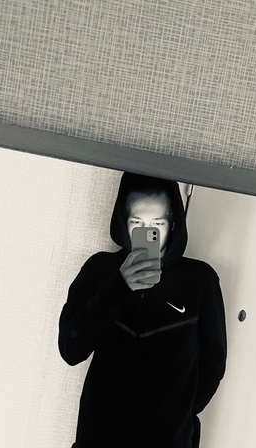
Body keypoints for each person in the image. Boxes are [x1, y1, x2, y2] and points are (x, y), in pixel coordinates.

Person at [58, 172, 227, 448]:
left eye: (157, 224)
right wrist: (119, 286)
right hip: (99, 438)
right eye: (137, 223)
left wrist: (177, 415)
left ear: (173, 223)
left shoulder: (200, 281)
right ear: (124, 221)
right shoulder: (100, 270)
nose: (148, 234)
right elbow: (71, 349)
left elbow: (214, 363)